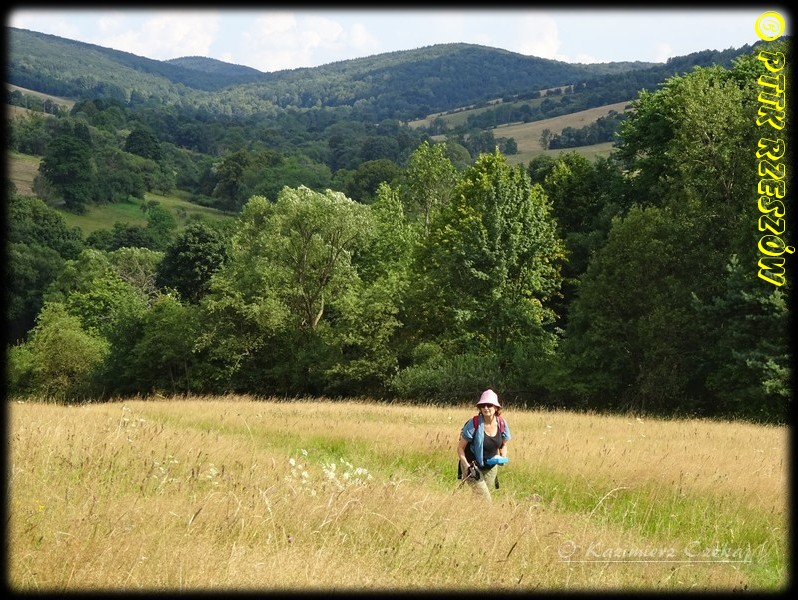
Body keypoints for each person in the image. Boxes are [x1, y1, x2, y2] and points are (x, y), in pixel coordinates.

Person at [456, 388, 511, 501]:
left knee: (479, 500)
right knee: (486, 500)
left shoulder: (501, 423)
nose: (485, 408)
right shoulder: (474, 423)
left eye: (489, 405)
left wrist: (502, 457)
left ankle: (464, 510)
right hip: (472, 466)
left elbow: (504, 444)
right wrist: (466, 466)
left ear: (496, 407)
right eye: (482, 405)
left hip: (491, 467)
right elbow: (460, 448)